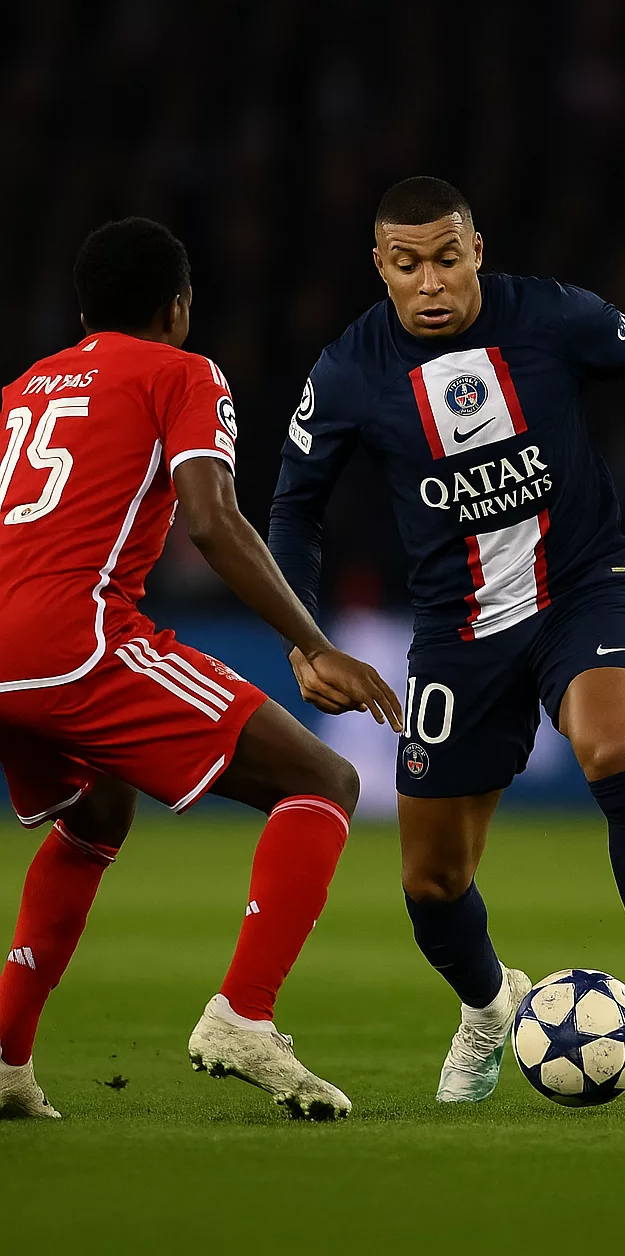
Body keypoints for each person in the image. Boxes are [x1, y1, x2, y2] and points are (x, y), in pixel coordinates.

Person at [269, 176, 625, 1101]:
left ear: (477, 251)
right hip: (456, 633)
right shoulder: (347, 372)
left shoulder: (553, 317)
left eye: (448, 259)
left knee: (614, 745)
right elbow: (293, 508)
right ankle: (490, 1009)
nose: (431, 283)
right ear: (380, 267)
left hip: (583, 588)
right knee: (430, 883)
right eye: (407, 266)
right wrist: (305, 639)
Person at [0, 218, 402, 1121]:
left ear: (82, 309)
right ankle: (243, 1016)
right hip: (80, 640)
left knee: (98, 812)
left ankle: (3, 1059)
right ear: (178, 307)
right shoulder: (183, 372)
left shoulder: (21, 390)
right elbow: (212, 523)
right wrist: (312, 640)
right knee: (323, 779)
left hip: (3, 648)